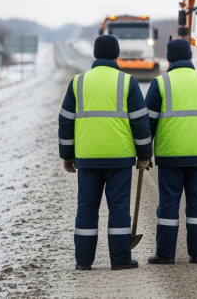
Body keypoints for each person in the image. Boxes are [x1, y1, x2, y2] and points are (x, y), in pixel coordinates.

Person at [58, 35, 153, 271]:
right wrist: (144, 155)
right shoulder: (126, 82)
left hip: (88, 157)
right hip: (119, 158)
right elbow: (140, 123)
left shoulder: (78, 83)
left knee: (87, 208)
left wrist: (67, 155)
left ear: (94, 54)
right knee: (119, 208)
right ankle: (120, 259)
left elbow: (65, 122)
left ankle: (83, 261)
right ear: (116, 55)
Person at [145, 39, 197, 264]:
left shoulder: (160, 83)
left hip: (170, 155)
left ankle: (165, 254)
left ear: (169, 60)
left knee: (169, 205)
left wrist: (143, 154)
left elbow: (148, 122)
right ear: (190, 57)